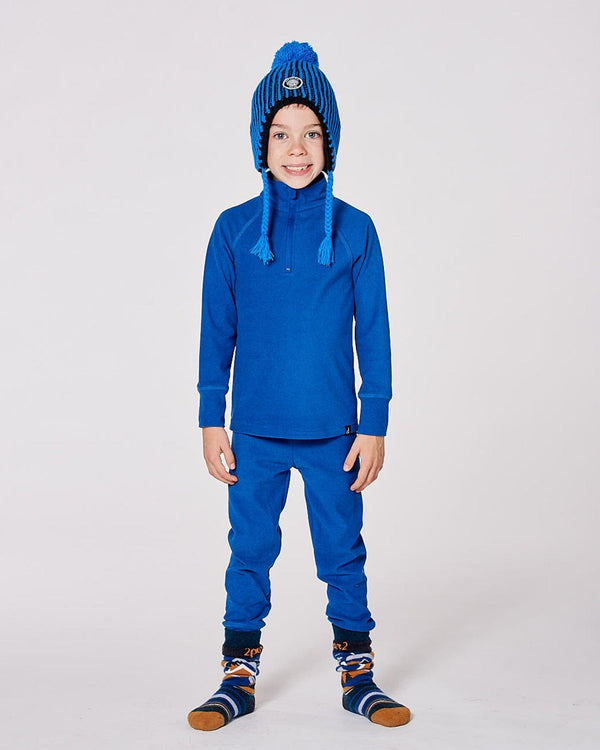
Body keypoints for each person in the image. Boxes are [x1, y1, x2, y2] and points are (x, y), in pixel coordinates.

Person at [187, 40, 410, 731]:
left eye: (311, 133)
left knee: (342, 552)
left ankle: (357, 671)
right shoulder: (231, 231)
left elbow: (374, 333)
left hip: (335, 432)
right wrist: (211, 417)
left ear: (329, 140)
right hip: (253, 430)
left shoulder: (356, 231)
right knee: (249, 551)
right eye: (281, 133)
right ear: (262, 142)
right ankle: (238, 672)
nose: (296, 149)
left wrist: (374, 423)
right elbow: (217, 329)